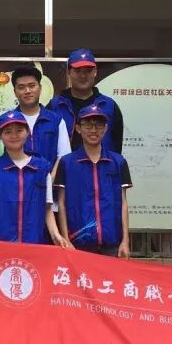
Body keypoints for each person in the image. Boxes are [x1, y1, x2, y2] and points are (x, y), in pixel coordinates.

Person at [0, 110, 72, 247]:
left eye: (19, 130)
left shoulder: (42, 167)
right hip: (0, 244)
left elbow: (47, 209)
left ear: (27, 132)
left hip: (34, 244)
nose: (14, 135)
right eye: (8, 132)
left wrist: (56, 235)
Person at [54, 104, 132, 257]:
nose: (93, 130)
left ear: (105, 128)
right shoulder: (67, 163)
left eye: (98, 125)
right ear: (78, 128)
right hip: (77, 243)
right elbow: (61, 203)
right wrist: (65, 239)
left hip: (112, 244)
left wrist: (125, 241)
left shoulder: (118, 162)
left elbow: (123, 203)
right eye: (88, 125)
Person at [48, 47, 125, 153]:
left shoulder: (109, 106)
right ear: (68, 73)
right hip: (64, 164)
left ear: (95, 72)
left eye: (88, 71)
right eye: (77, 71)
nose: (83, 76)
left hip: (102, 163)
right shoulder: (54, 106)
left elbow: (117, 147)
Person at [10, 64, 72, 167]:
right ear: (15, 92)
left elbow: (63, 156)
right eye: (21, 87)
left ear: (40, 88)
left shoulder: (56, 120)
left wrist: (50, 176)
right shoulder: (7, 122)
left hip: (49, 176)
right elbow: (1, 157)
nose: (27, 91)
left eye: (32, 86)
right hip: (15, 177)